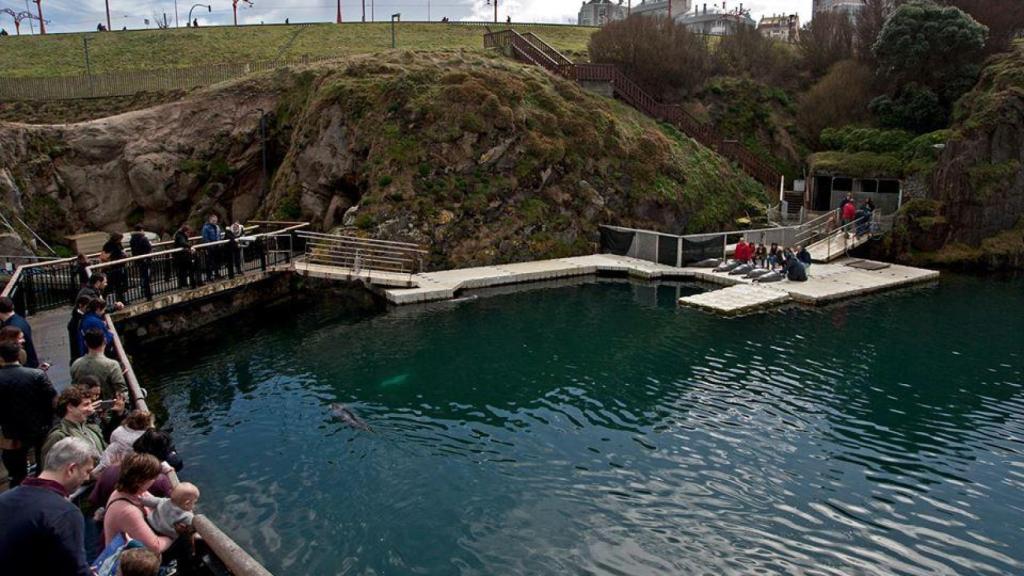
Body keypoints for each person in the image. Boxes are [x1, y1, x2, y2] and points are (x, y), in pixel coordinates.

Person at [0, 437, 99, 576]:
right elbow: (75, 571)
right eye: (87, 471)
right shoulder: (65, 513)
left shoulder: (4, 498)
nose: (88, 478)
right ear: (71, 469)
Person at [0, 340, 57, 486]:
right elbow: (52, 399)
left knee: (17, 473)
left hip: (11, 432)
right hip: (39, 427)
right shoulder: (36, 374)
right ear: (19, 355)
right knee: (42, 463)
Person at [103, 453, 177, 554]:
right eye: (153, 478)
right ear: (141, 481)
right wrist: (173, 536)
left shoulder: (133, 492)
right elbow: (155, 546)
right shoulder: (127, 511)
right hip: (126, 560)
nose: (154, 480)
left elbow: (160, 507)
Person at [90, 429, 178, 510]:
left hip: (107, 515)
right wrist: (171, 474)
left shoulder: (110, 470)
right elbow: (178, 504)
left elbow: (93, 500)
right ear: (163, 455)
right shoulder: (159, 480)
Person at [42, 386, 107, 464]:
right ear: (70, 407)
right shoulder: (59, 436)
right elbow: (49, 467)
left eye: (90, 404)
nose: (91, 409)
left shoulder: (91, 429)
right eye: (86, 405)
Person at [72, 328, 129, 399]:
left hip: (85, 403)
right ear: (104, 341)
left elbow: (74, 389)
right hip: (107, 404)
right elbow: (122, 391)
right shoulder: (112, 365)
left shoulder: (76, 364)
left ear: (85, 343)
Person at [0, 295, 40, 368]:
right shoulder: (19, 319)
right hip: (30, 362)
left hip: (23, 365)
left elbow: (9, 350)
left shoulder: (11, 328)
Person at [102, 233, 129, 304]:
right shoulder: (109, 245)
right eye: (120, 239)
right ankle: (102, 300)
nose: (121, 240)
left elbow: (122, 251)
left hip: (120, 266)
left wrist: (124, 255)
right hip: (113, 268)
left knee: (119, 285)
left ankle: (121, 300)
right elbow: (104, 256)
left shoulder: (119, 244)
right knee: (109, 286)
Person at [129, 225, 153, 298]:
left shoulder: (132, 239)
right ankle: (147, 293)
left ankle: (143, 290)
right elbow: (148, 247)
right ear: (141, 230)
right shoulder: (143, 238)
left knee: (142, 275)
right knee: (146, 276)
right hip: (145, 259)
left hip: (138, 259)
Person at [67, 295, 92, 360]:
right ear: (80, 305)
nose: (89, 309)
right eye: (87, 307)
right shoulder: (77, 321)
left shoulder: (79, 316)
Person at [201, 214, 222, 280]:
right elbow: (205, 238)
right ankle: (209, 276)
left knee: (216, 261)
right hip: (210, 247)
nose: (215, 222)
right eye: (213, 220)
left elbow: (219, 235)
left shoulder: (217, 227)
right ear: (210, 220)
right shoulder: (206, 228)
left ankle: (217, 274)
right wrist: (209, 246)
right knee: (209, 262)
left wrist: (219, 243)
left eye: (216, 221)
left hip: (216, 246)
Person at [173, 223, 194, 288]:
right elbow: (182, 243)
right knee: (184, 270)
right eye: (188, 233)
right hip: (181, 256)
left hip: (181, 255)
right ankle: (185, 284)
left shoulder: (179, 234)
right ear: (185, 232)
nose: (189, 235)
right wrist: (190, 246)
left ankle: (183, 284)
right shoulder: (180, 236)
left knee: (182, 270)